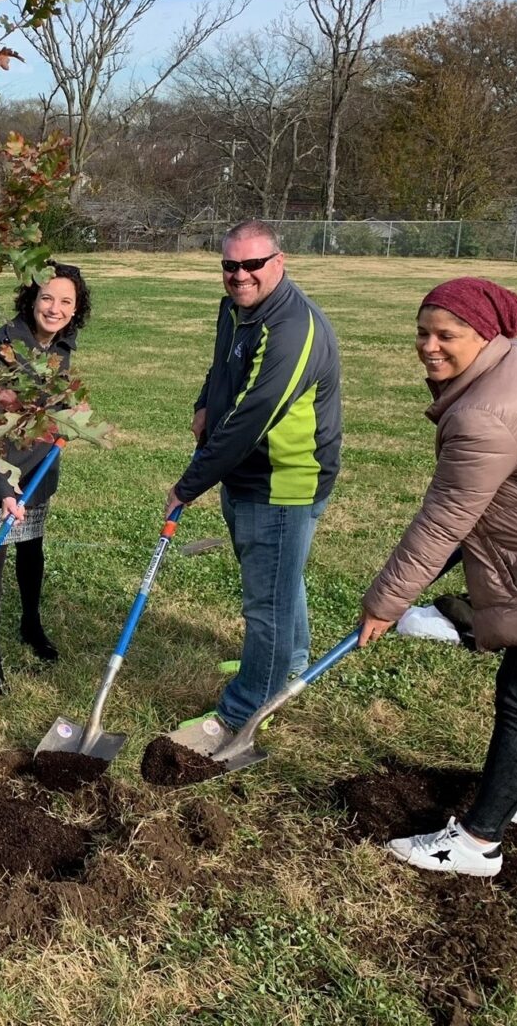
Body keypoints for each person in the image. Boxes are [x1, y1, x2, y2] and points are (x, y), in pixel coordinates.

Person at [358, 277, 517, 877]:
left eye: (447, 335)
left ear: (485, 333)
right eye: (422, 333)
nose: (429, 346)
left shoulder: (484, 416)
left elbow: (443, 522)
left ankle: (477, 843)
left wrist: (385, 603)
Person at [167, 220, 341, 734]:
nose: (240, 275)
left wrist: (187, 485)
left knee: (266, 601)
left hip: (283, 481)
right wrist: (204, 404)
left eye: (252, 264)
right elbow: (222, 367)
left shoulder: (291, 330)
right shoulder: (238, 308)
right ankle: (289, 662)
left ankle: (245, 709)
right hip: (246, 476)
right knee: (280, 579)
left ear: (279, 263)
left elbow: (249, 420)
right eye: (230, 265)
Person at [0, 263, 92, 694]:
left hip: (36, 467)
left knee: (32, 547)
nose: (55, 308)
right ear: (31, 300)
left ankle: (31, 624)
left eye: (66, 301)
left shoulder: (59, 346)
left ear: (76, 309)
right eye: (47, 297)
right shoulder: (6, 352)